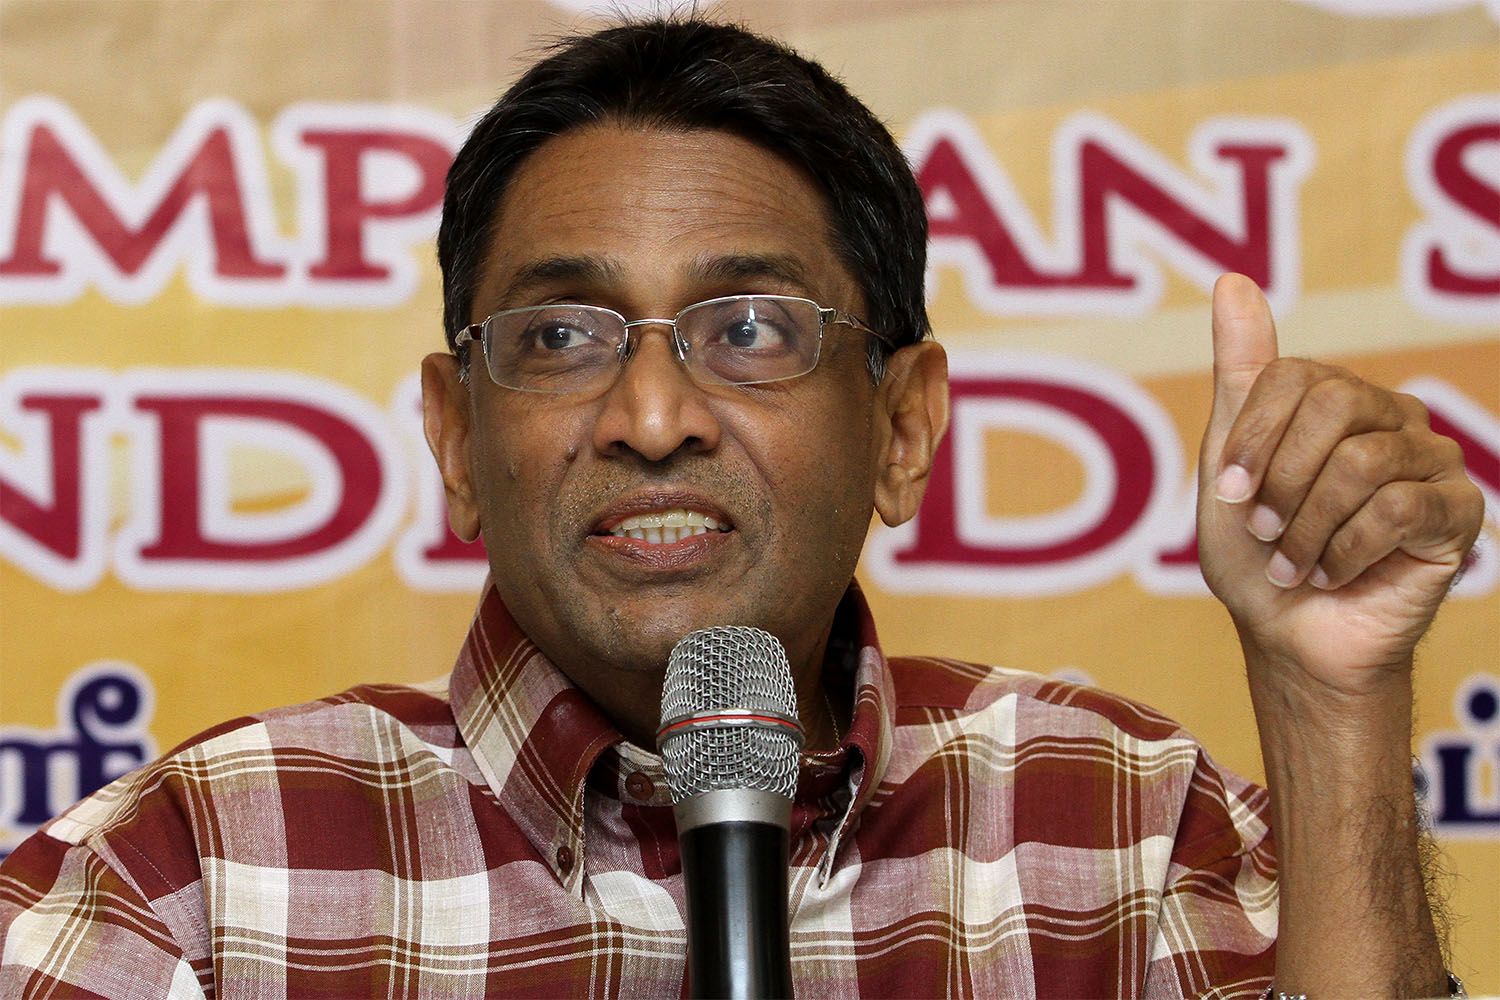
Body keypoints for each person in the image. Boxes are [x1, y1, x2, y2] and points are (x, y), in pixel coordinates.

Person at [0, 16, 1482, 999]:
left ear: (905, 428)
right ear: (456, 438)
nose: (653, 419)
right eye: (564, 338)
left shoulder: (1117, 822)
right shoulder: (192, 868)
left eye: (753, 330)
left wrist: (1328, 699)